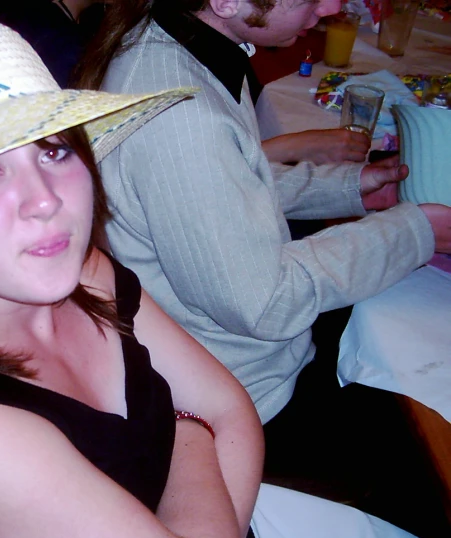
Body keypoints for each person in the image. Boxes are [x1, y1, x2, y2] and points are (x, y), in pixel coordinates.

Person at [0, 20, 449, 538]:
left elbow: (233, 410)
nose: (43, 201)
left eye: (54, 151)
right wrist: (190, 439)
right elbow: (209, 422)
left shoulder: (85, 275)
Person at [73, 0, 451, 508]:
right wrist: (415, 232)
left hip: (240, 360)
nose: (334, 5)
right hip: (252, 402)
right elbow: (264, 303)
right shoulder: (179, 114)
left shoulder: (180, 43)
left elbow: (226, 184)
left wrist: (353, 188)